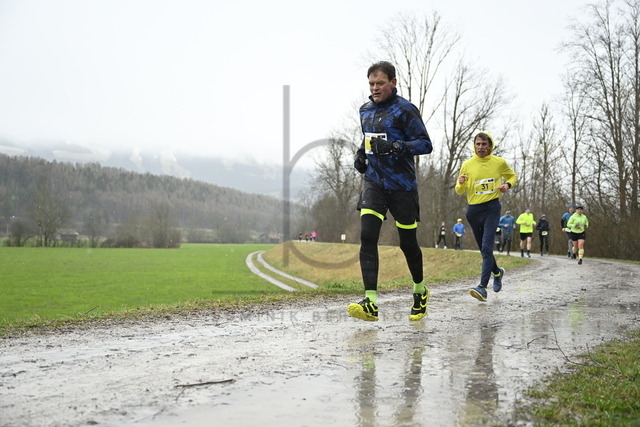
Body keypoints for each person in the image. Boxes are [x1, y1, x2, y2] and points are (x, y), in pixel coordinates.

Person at [348, 61, 433, 322]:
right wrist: (361, 155)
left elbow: (425, 144)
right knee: (367, 236)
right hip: (374, 183)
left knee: (407, 244)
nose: (375, 88)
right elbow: (367, 139)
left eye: (380, 83)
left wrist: (397, 147)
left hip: (402, 186)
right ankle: (370, 302)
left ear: (393, 82)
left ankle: (419, 290)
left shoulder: (405, 109)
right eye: (371, 84)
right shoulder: (365, 110)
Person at [455, 131, 517, 302]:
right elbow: (459, 190)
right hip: (473, 211)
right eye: (478, 144)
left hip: (492, 208)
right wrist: (460, 182)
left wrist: (507, 185)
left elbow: (512, 176)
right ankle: (497, 272)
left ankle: (482, 287)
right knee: (484, 250)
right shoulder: (467, 164)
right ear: (474, 146)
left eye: (484, 144)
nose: (481, 147)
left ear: (490, 146)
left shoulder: (499, 163)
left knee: (487, 247)